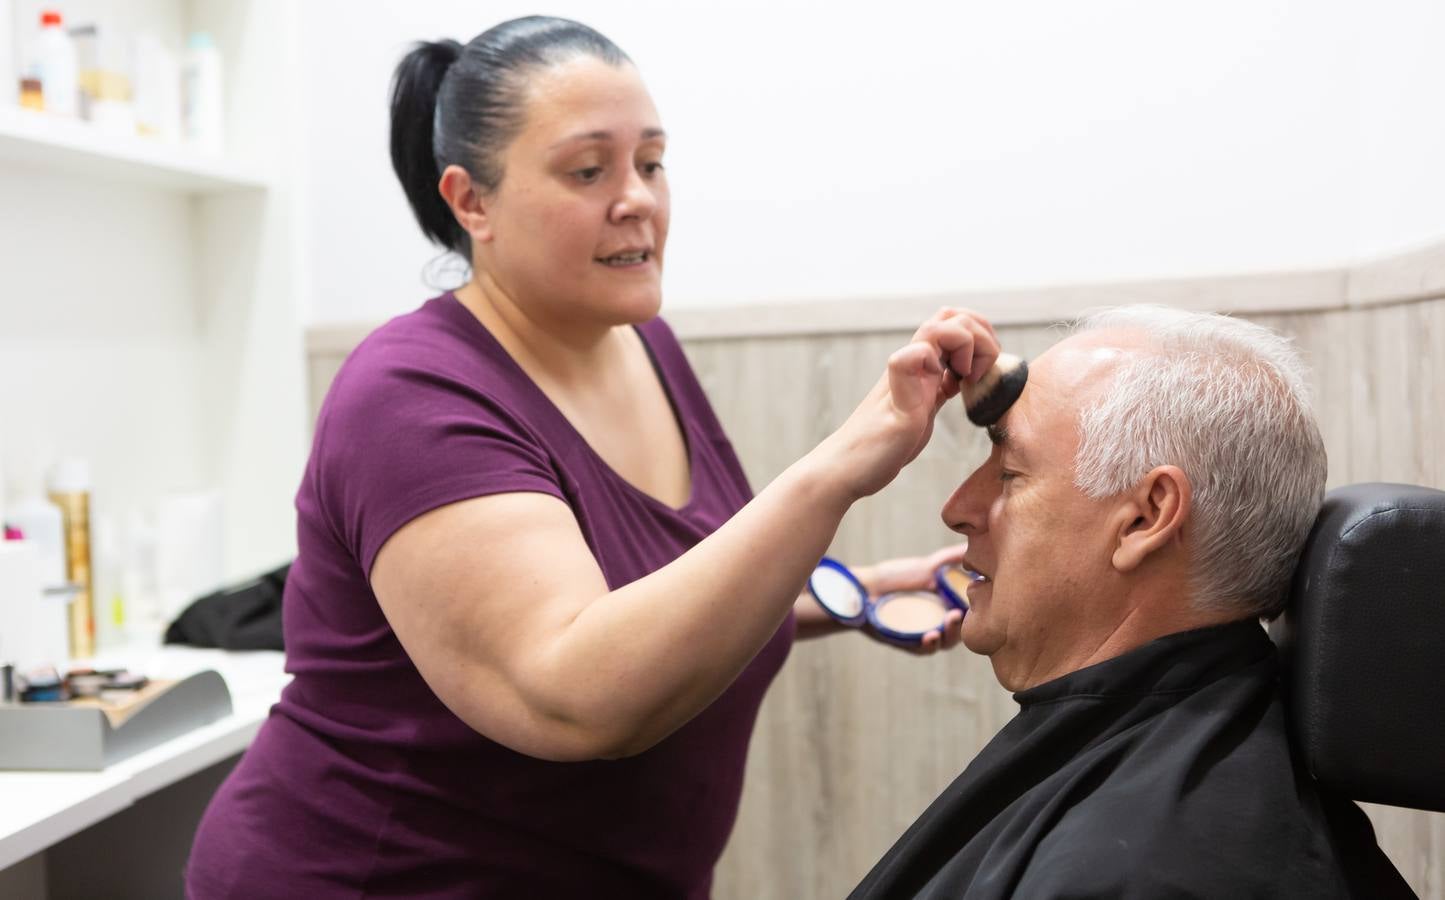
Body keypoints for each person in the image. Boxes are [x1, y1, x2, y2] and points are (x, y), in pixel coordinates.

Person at [186, 15, 994, 899]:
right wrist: (840, 464)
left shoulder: (642, 347)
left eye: (651, 162)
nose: (637, 198)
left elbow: (647, 593)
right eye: (587, 170)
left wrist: (848, 593)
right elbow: (573, 692)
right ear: (471, 201)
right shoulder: (410, 394)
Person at [849, 305, 1413, 899]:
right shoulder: (1186, 761)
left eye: (1010, 473)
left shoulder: (1146, 872)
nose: (957, 507)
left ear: (1145, 517)